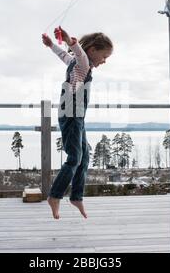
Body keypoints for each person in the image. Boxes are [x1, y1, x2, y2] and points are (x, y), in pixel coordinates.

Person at [41, 26, 113, 219]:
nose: (104, 61)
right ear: (92, 51)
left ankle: (76, 196)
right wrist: (69, 40)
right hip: (72, 115)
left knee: (84, 157)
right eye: (104, 56)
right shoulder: (82, 63)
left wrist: (51, 46)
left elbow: (64, 56)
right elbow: (78, 52)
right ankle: (54, 196)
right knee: (74, 158)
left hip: (76, 115)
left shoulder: (74, 62)